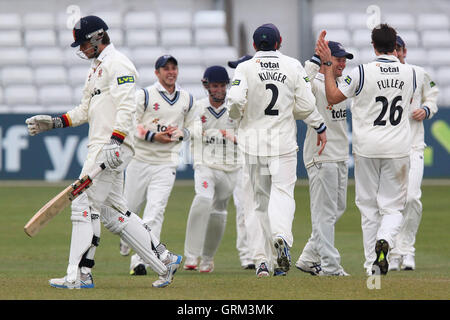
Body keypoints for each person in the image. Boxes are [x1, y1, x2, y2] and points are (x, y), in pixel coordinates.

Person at [25, 16, 181, 289]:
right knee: (113, 213)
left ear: (98, 38)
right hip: (102, 145)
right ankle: (165, 260)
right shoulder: (96, 69)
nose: (82, 50)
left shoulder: (118, 63)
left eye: (84, 43)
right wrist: (54, 121)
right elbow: (85, 110)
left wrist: (116, 141)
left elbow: (127, 107)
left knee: (82, 203)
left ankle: (78, 275)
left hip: (111, 146)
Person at [227, 23, 327, 277]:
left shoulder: (245, 67)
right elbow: (306, 105)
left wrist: (237, 117)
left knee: (258, 203)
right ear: (279, 41)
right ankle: (281, 236)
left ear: (253, 45)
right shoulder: (292, 65)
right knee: (282, 194)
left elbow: (237, 100)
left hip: (253, 144)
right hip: (282, 143)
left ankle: (262, 262)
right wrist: (316, 123)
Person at [315, 24, 417, 275]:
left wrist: (328, 65)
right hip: (398, 148)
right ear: (396, 46)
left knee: (368, 208)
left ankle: (372, 265)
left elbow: (332, 97)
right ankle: (386, 241)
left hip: (367, 148)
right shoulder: (411, 73)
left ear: (373, 45)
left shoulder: (361, 72)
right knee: (393, 208)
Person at [121, 54, 195, 275]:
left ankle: (140, 261)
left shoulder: (187, 99)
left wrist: (179, 134)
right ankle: (128, 238)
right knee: (128, 211)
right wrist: (154, 136)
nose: (171, 72)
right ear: (157, 73)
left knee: (155, 212)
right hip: (140, 160)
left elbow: (193, 128)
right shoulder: (144, 95)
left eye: (174, 68)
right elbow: (131, 125)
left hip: (166, 163)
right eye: (166, 68)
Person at [295, 40, 353, 276]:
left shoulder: (339, 85)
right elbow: (299, 91)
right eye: (339, 59)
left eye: (344, 59)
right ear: (327, 61)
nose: (343, 63)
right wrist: (316, 61)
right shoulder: (315, 84)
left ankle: (309, 257)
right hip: (321, 156)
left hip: (339, 155)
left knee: (337, 208)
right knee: (325, 214)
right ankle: (330, 266)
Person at [183, 66, 242, 272]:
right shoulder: (197, 108)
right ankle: (191, 255)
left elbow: (246, 138)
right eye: (215, 86)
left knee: (219, 211)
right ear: (206, 86)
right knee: (203, 199)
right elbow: (194, 133)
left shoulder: (236, 109)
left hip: (231, 167)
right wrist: (222, 134)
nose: (219, 90)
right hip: (205, 164)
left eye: (222, 86)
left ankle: (207, 259)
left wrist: (233, 137)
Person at [389, 36, 439, 271]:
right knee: (390, 203)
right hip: (387, 148)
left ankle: (406, 250)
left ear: (404, 51)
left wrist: (426, 109)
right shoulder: (381, 75)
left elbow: (433, 96)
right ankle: (391, 252)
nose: (396, 53)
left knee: (411, 198)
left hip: (413, 146)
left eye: (398, 49)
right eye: (392, 49)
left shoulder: (419, 73)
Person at [228, 54, 258, 270]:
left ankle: (260, 251)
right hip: (241, 158)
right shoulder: (235, 93)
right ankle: (247, 255)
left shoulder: (251, 96)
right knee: (243, 207)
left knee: (261, 205)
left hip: (257, 153)